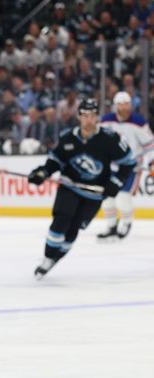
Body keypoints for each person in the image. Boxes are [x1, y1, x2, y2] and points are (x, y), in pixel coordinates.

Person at [28, 98, 136, 279]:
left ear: (97, 117)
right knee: (61, 221)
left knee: (73, 229)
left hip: (94, 193)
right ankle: (47, 258)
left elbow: (128, 163)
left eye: (92, 115)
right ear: (79, 116)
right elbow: (55, 161)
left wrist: (115, 183)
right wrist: (43, 172)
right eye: (85, 115)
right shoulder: (68, 137)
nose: (88, 119)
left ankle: (55, 259)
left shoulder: (110, 139)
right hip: (69, 186)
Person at [96, 91, 154, 240]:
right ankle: (111, 226)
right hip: (111, 167)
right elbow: (98, 142)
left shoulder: (139, 122)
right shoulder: (105, 121)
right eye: (121, 104)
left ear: (131, 105)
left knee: (123, 196)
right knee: (107, 197)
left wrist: (152, 162)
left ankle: (126, 222)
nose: (124, 107)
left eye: (127, 104)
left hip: (132, 167)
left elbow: (150, 146)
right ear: (115, 106)